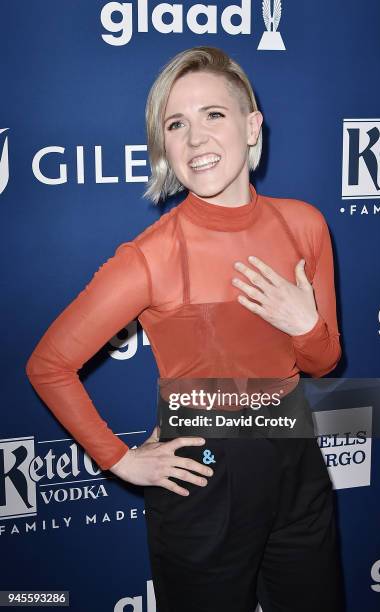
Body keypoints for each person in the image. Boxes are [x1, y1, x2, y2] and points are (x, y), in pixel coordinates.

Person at [26, 47, 345, 611]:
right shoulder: (150, 257)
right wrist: (119, 459)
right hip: (202, 483)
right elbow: (49, 365)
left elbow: (323, 363)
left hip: (298, 468)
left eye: (213, 115)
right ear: (164, 147)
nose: (196, 138)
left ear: (251, 126)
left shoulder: (305, 225)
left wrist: (304, 323)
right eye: (176, 124)